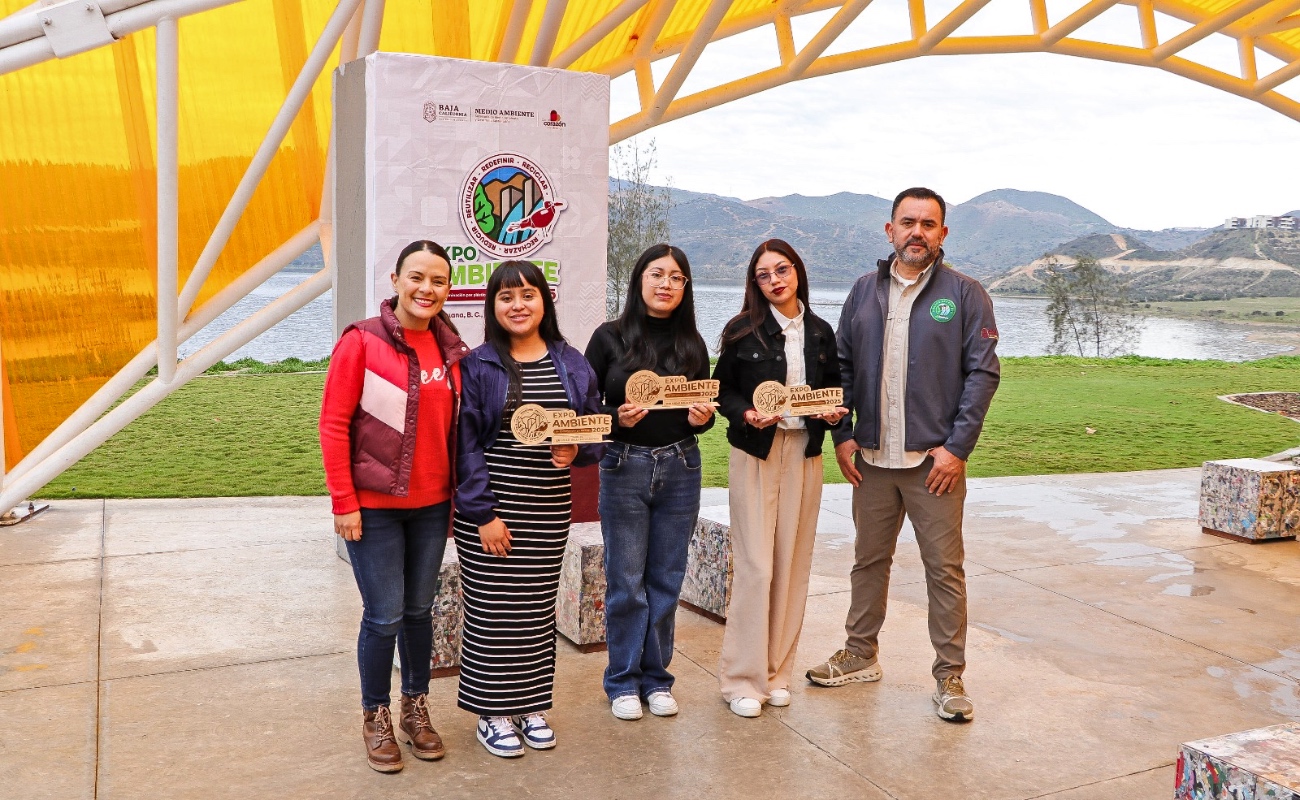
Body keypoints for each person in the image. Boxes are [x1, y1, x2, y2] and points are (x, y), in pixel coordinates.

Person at [805, 187, 1000, 722]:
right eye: (908, 221)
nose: (918, 231)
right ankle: (861, 653)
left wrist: (956, 450)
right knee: (868, 561)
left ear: (943, 234)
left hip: (932, 465)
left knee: (944, 570)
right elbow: (839, 368)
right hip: (870, 458)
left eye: (929, 223)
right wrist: (843, 434)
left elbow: (982, 374)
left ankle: (950, 676)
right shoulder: (864, 291)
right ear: (889, 229)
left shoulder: (964, 294)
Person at [319, 240, 469, 772]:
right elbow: (334, 424)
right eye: (417, 278)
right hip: (375, 507)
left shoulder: (454, 350)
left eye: (438, 281)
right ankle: (375, 714)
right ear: (395, 280)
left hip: (432, 507)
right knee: (383, 616)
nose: (427, 289)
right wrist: (345, 502)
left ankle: (414, 707)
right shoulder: (362, 341)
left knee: (418, 612)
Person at [452, 260, 602, 757]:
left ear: (544, 301)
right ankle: (492, 712)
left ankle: (530, 705)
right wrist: (483, 515)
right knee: (494, 613)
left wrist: (575, 450)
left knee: (536, 612)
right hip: (495, 510)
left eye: (528, 295)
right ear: (492, 307)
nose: (518, 305)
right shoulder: (478, 365)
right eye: (506, 297)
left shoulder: (572, 361)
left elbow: (593, 428)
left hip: (548, 509)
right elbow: (466, 447)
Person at [712, 239, 846, 718]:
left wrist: (833, 414)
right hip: (756, 454)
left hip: (805, 455)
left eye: (781, 270)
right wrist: (745, 413)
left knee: (792, 564)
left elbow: (836, 389)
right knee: (757, 566)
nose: (775, 280)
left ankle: (776, 673)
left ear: (797, 271)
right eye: (764, 275)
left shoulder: (821, 331)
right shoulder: (741, 331)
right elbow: (722, 389)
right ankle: (742, 681)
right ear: (755, 283)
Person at [584, 244, 715, 721]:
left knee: (666, 578)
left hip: (681, 466)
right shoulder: (609, 337)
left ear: (685, 288)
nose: (666, 284)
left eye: (676, 278)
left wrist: (702, 419)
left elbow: (703, 414)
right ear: (639, 280)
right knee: (625, 581)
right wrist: (614, 418)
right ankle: (621, 680)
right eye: (657, 274)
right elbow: (584, 410)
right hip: (624, 466)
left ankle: (657, 678)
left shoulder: (693, 345)